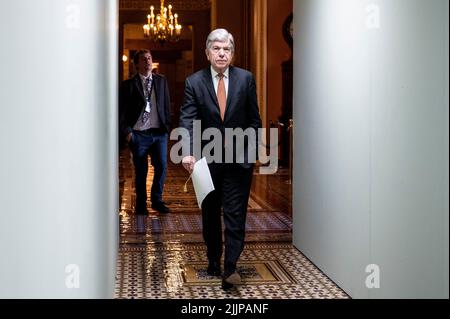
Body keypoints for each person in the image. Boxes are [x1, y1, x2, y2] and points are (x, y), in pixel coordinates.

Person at [179, 29, 262, 290]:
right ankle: (213, 259)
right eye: (216, 48)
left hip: (239, 162)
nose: (222, 53)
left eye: (226, 48)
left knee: (236, 215)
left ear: (232, 52)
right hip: (207, 162)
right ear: (207, 53)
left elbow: (254, 120)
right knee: (211, 214)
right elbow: (188, 120)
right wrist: (188, 152)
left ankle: (231, 268)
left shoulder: (246, 79)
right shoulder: (194, 82)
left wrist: (250, 152)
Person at [119, 50, 171, 215]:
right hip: (139, 134)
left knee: (162, 166)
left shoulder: (161, 81)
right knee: (141, 171)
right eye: (143, 59)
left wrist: (167, 127)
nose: (148, 61)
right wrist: (128, 132)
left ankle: (157, 200)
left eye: (149, 58)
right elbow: (121, 111)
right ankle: (141, 204)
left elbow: (166, 104)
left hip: (158, 133)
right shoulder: (128, 85)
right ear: (137, 64)